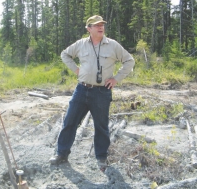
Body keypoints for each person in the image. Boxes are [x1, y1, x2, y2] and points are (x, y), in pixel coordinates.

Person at [49, 15, 135, 172]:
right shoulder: (81, 44)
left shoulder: (113, 45)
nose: (101, 27)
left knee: (101, 126)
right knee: (70, 122)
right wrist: (76, 69)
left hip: (102, 92)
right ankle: (61, 154)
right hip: (81, 90)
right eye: (96, 25)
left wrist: (116, 79)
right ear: (89, 28)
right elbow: (65, 54)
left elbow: (129, 61)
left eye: (102, 24)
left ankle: (101, 157)